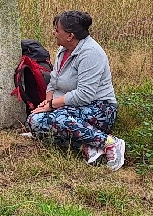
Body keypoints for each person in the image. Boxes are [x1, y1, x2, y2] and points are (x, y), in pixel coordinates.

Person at [26, 10, 126, 170]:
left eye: (57, 30)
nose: (54, 33)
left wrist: (52, 105)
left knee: (57, 119)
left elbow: (84, 95)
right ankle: (87, 146)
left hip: (100, 108)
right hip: (69, 107)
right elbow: (54, 81)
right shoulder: (63, 50)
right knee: (34, 121)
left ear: (70, 36)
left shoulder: (91, 54)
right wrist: (46, 102)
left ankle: (110, 143)